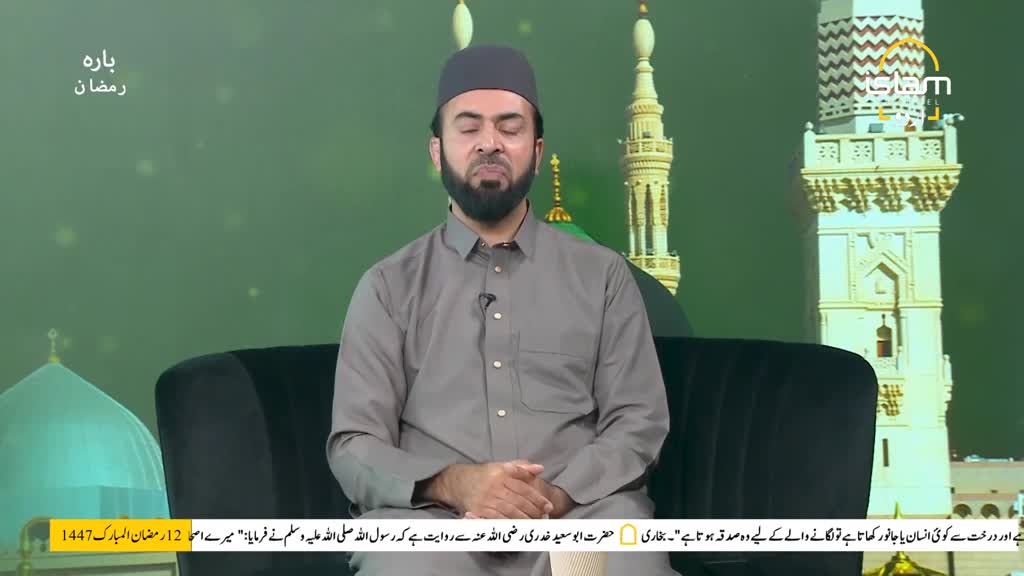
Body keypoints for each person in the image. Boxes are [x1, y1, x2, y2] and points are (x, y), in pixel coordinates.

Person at [326, 44, 679, 576]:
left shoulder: (601, 275)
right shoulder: (387, 287)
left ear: (536, 152)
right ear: (437, 151)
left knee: (626, 559)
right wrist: (454, 484)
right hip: (435, 525)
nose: (489, 142)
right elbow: (355, 444)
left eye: (509, 127)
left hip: (579, 513)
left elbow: (638, 421)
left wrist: (553, 495)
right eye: (468, 128)